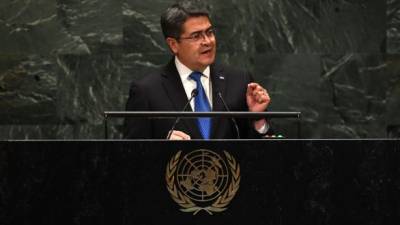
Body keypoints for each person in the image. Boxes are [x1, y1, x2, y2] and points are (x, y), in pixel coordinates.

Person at [123, 0, 271, 140]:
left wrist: (258, 119)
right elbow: (129, 155)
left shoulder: (239, 81)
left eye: (210, 32)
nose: (207, 41)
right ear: (174, 44)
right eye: (196, 36)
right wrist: (161, 147)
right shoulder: (147, 91)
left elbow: (265, 152)